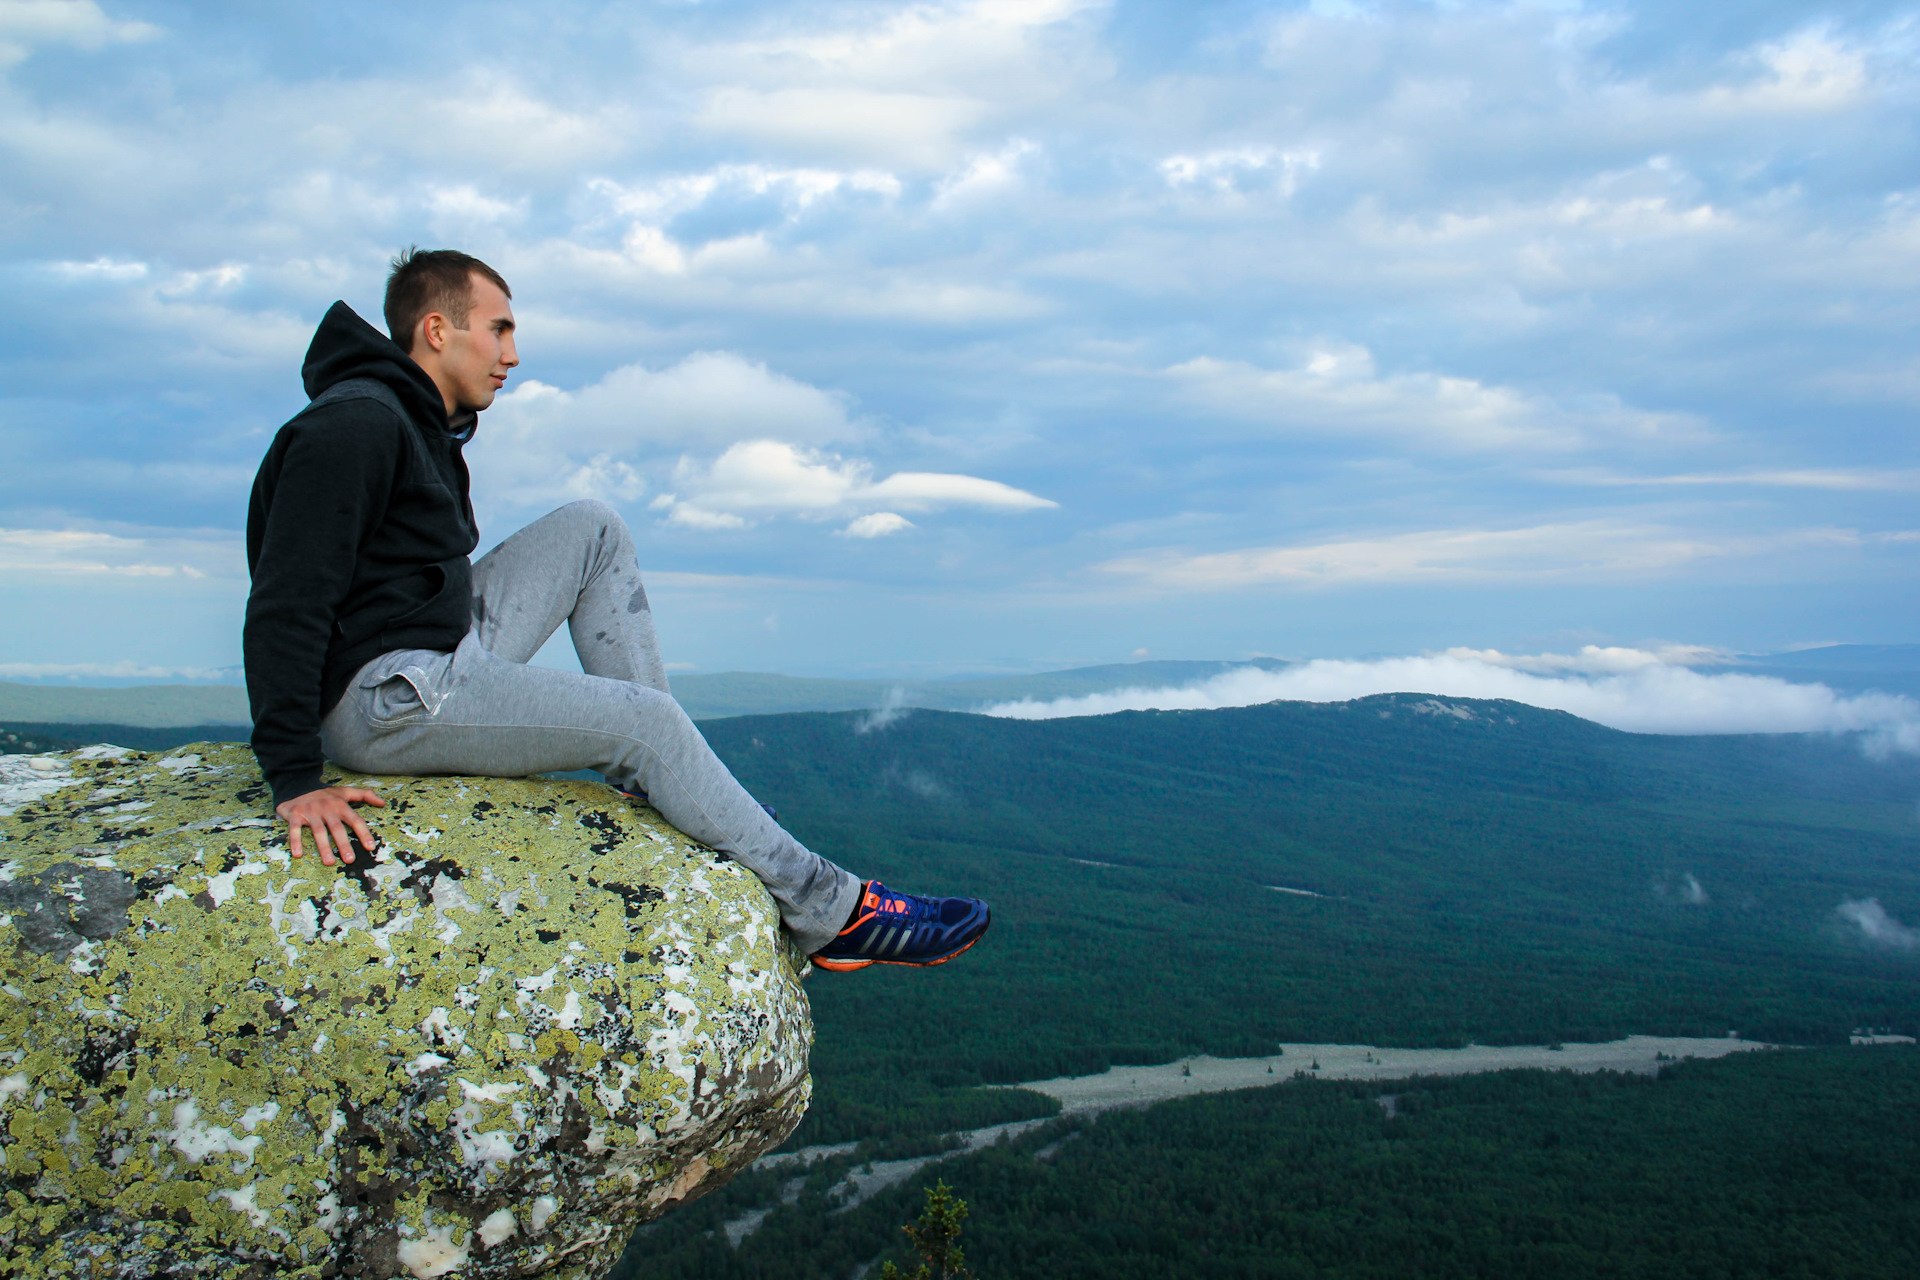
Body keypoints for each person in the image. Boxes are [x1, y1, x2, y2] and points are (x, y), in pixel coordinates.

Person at [244, 247, 989, 972]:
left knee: (591, 528)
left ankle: (660, 778)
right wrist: (296, 779)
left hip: (432, 648)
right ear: (438, 331)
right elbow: (286, 598)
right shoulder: (354, 427)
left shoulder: (412, 420)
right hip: (383, 700)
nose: (512, 354)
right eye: (498, 329)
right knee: (647, 722)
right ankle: (834, 912)